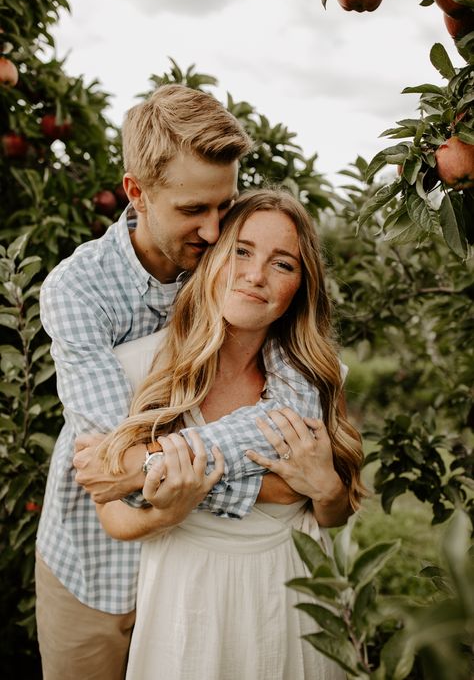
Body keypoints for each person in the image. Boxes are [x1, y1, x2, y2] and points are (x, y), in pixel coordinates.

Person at [35, 85, 348, 680]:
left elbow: (286, 404)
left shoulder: (237, 261)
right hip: (97, 564)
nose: (212, 232)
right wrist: (284, 488)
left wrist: (162, 468)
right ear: (137, 192)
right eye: (191, 211)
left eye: (222, 208)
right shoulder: (77, 290)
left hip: (193, 573)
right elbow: (117, 474)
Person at [97, 188, 365, 680]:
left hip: (290, 591)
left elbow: (336, 513)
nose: (256, 275)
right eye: (241, 251)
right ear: (214, 256)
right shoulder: (139, 367)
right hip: (186, 595)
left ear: (300, 287)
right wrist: (169, 505)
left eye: (282, 264)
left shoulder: (319, 378)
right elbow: (110, 505)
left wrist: (325, 489)